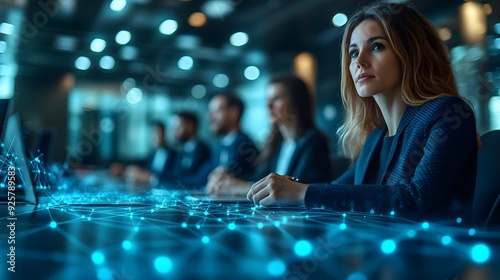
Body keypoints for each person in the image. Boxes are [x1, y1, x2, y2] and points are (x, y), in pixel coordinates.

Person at [247, 3, 478, 221]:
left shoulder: (448, 113)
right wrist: (285, 190)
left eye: (377, 46)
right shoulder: (376, 136)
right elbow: (337, 191)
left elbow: (418, 200)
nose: (360, 62)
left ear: (411, 53)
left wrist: (302, 193)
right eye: (354, 52)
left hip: (440, 258)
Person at [207, 75, 331, 196]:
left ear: (296, 102)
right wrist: (228, 180)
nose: (268, 106)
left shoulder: (314, 142)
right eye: (267, 100)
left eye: (276, 98)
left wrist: (241, 187)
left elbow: (298, 189)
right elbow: (260, 179)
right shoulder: (278, 144)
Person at [183, 92, 259, 188]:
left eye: (216, 111)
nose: (209, 117)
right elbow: (201, 177)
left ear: (233, 113)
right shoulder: (219, 146)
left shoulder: (245, 146)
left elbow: (224, 180)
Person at [110, 121, 177, 186]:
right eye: (152, 134)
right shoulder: (153, 154)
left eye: (157, 134)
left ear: (164, 135)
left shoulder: (174, 155)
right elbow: (146, 170)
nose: (154, 137)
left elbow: (173, 177)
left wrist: (149, 178)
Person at [158, 111, 211, 187]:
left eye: (178, 127)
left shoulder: (202, 151)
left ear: (190, 126)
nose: (175, 131)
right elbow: (174, 174)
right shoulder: (182, 151)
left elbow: (199, 179)